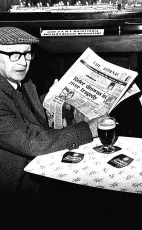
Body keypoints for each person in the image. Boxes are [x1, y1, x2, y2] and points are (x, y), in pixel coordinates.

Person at [0, 26, 97, 201]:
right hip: (16, 189)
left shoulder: (23, 83)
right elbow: (32, 142)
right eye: (14, 55)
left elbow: (22, 113)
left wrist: (51, 99)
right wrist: (89, 129)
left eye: (27, 54)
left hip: (38, 169)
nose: (23, 62)